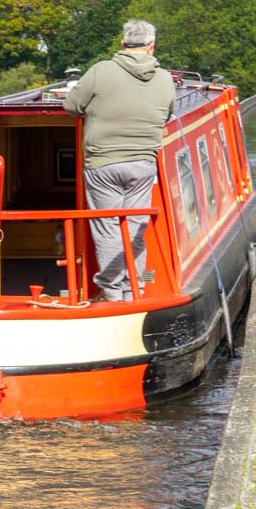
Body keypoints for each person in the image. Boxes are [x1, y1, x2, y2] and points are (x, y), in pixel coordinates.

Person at [63, 19, 175, 303]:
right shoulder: (164, 78)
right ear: (151, 46)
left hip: (104, 163)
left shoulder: (101, 72)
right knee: (136, 225)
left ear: (123, 43)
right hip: (142, 163)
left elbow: (71, 107)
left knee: (107, 226)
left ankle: (113, 292)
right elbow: (167, 115)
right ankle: (135, 288)